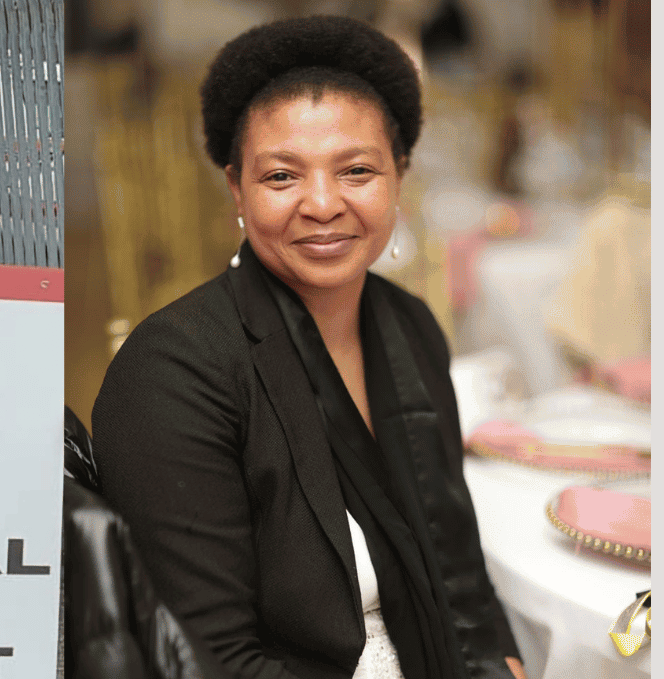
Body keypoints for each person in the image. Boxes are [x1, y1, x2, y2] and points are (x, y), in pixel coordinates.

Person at [90, 15, 526, 679]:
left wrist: (502, 665)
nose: (322, 204)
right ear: (236, 189)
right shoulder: (172, 374)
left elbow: (459, 573)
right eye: (282, 177)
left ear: (399, 176)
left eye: (356, 169)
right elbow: (210, 661)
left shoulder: (410, 328)